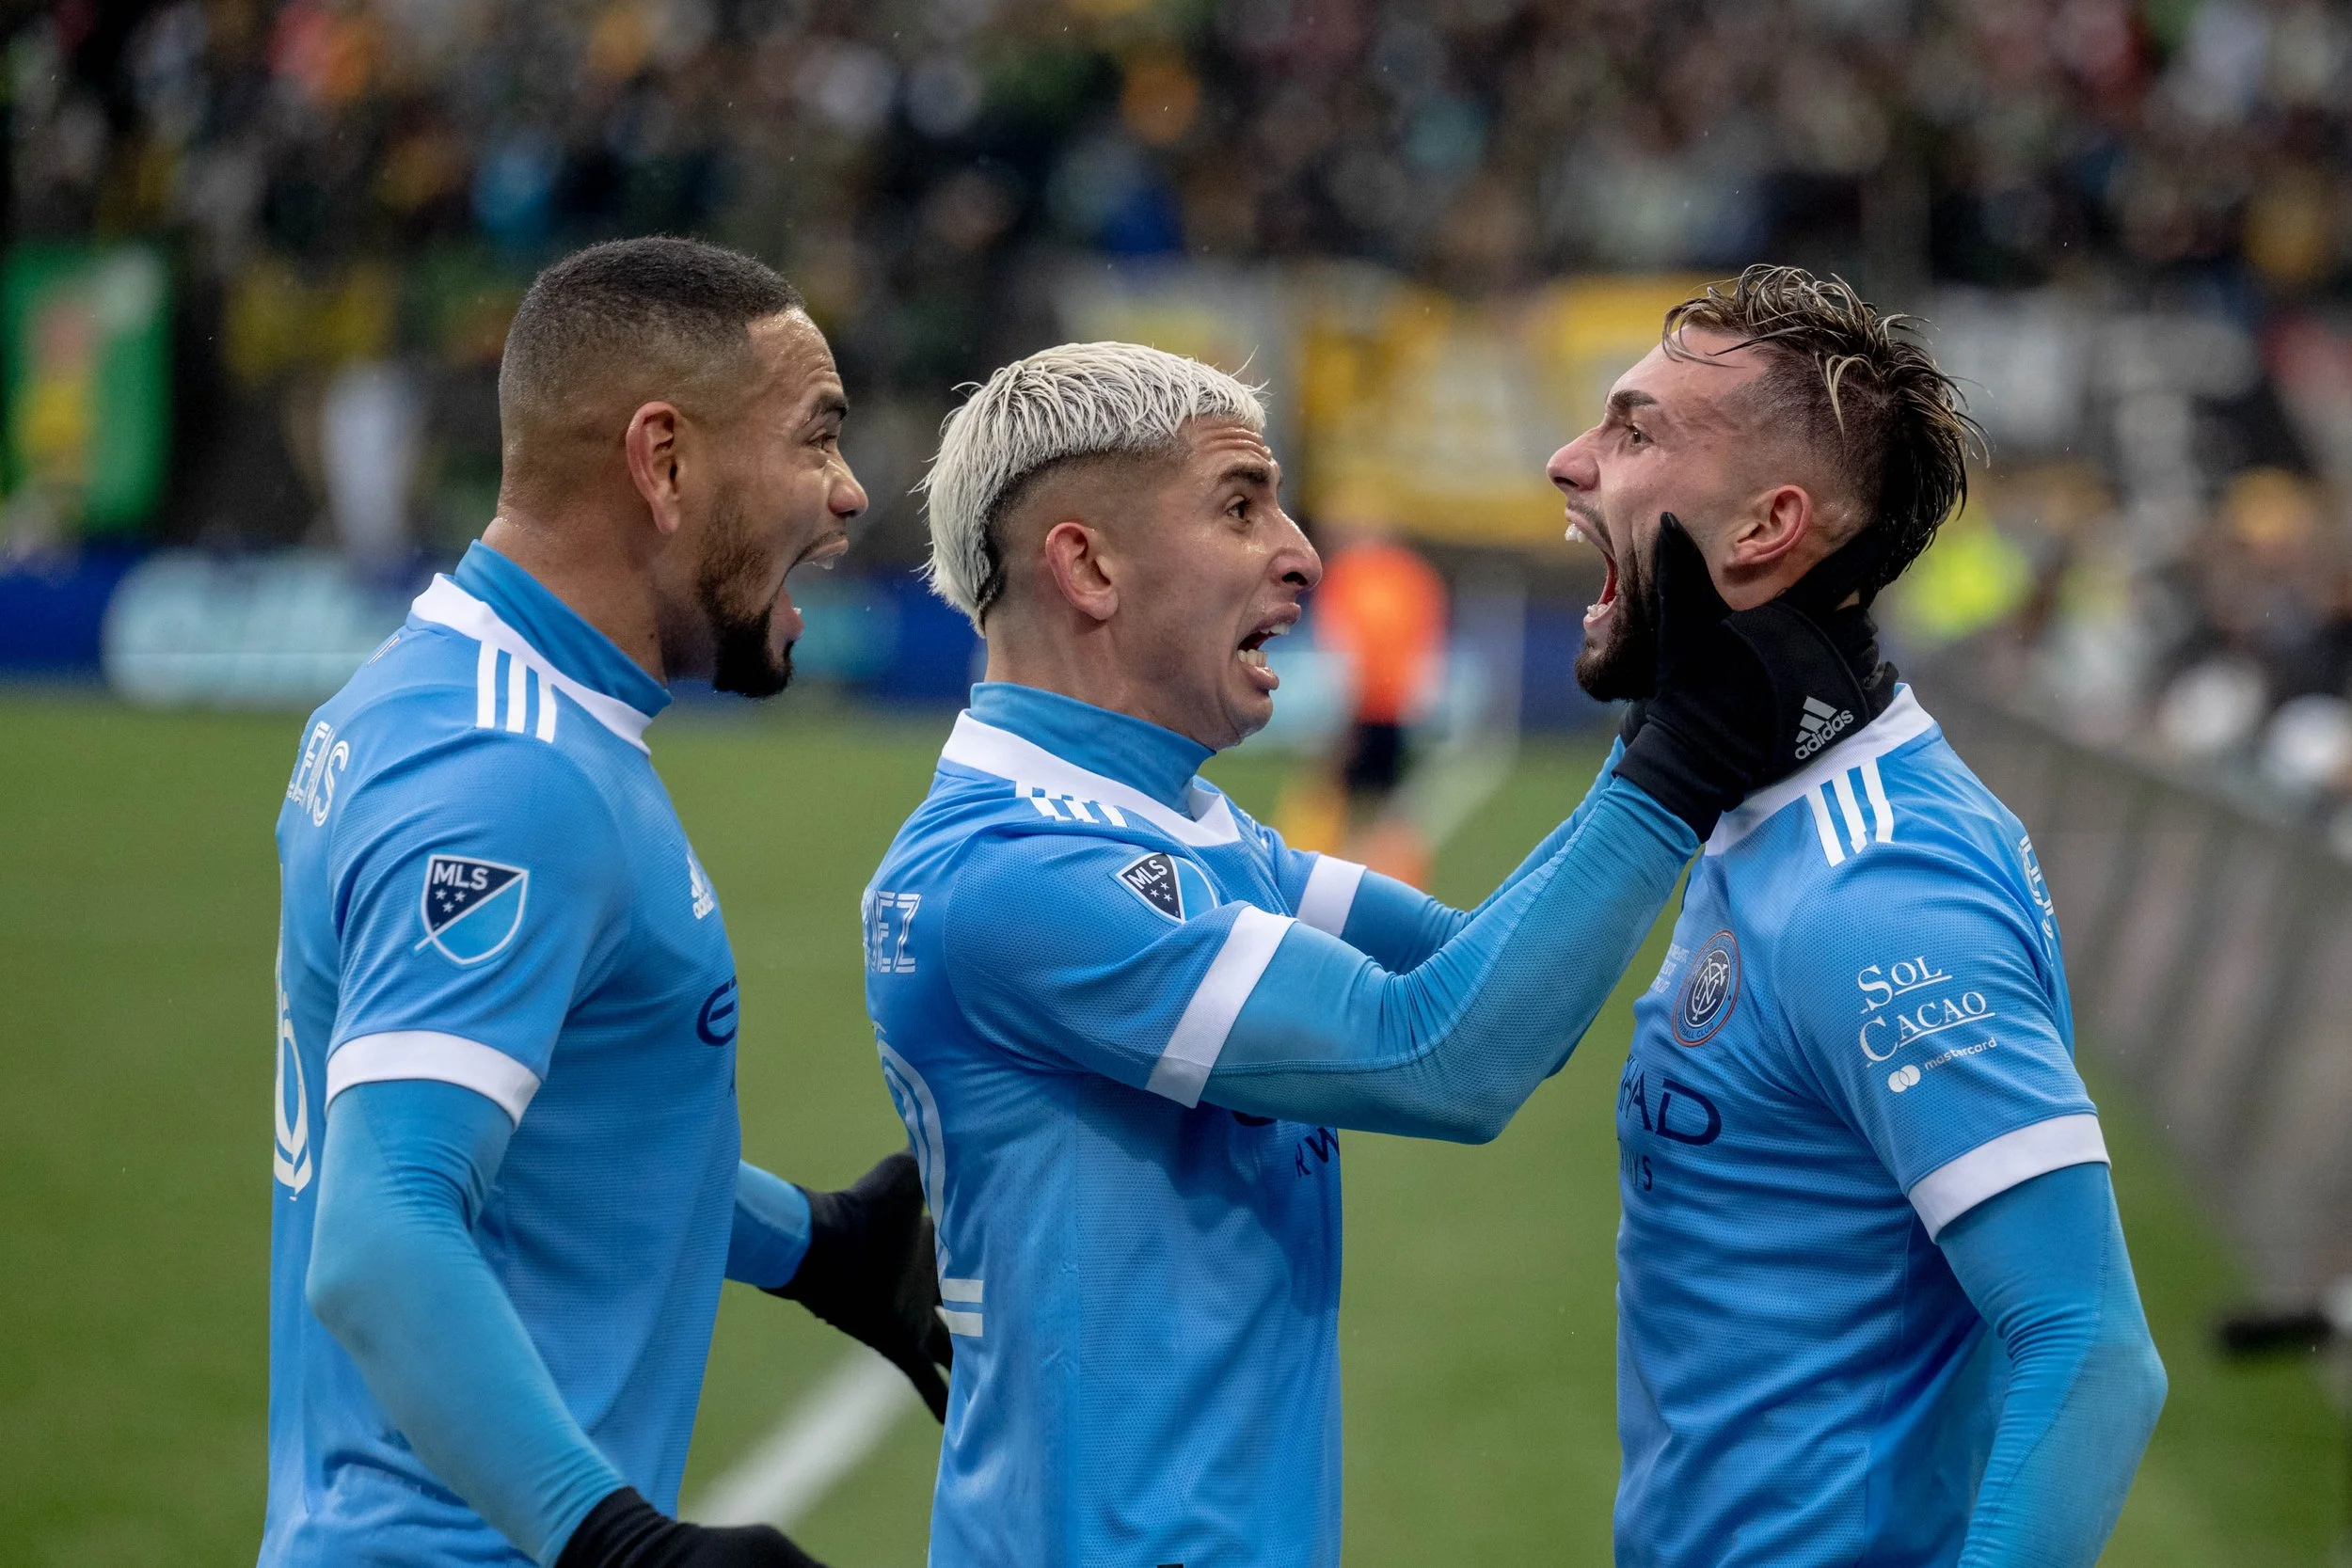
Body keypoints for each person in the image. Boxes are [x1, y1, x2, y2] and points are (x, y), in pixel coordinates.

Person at [863, 341, 1856, 1566]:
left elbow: (1479, 970)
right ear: (1088, 563)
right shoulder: (1015, 874)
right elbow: (1442, 1056)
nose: (1304, 552)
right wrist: (1684, 757)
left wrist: (1654, 711)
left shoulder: (1184, 821)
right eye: (1241, 504)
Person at [262, 238, 950, 1568]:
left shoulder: (443, 699)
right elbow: (378, 1231)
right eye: (815, 437)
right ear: (665, 460)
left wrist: (814, 1245)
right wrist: (625, 1547)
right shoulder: (508, 778)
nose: (852, 492)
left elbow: (550, 1130)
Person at [1551, 265, 2168, 1568]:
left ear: (1770, 524)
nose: (1570, 462)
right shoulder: (1764, 806)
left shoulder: (1876, 889)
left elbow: (2092, 1349)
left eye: (1634, 429)